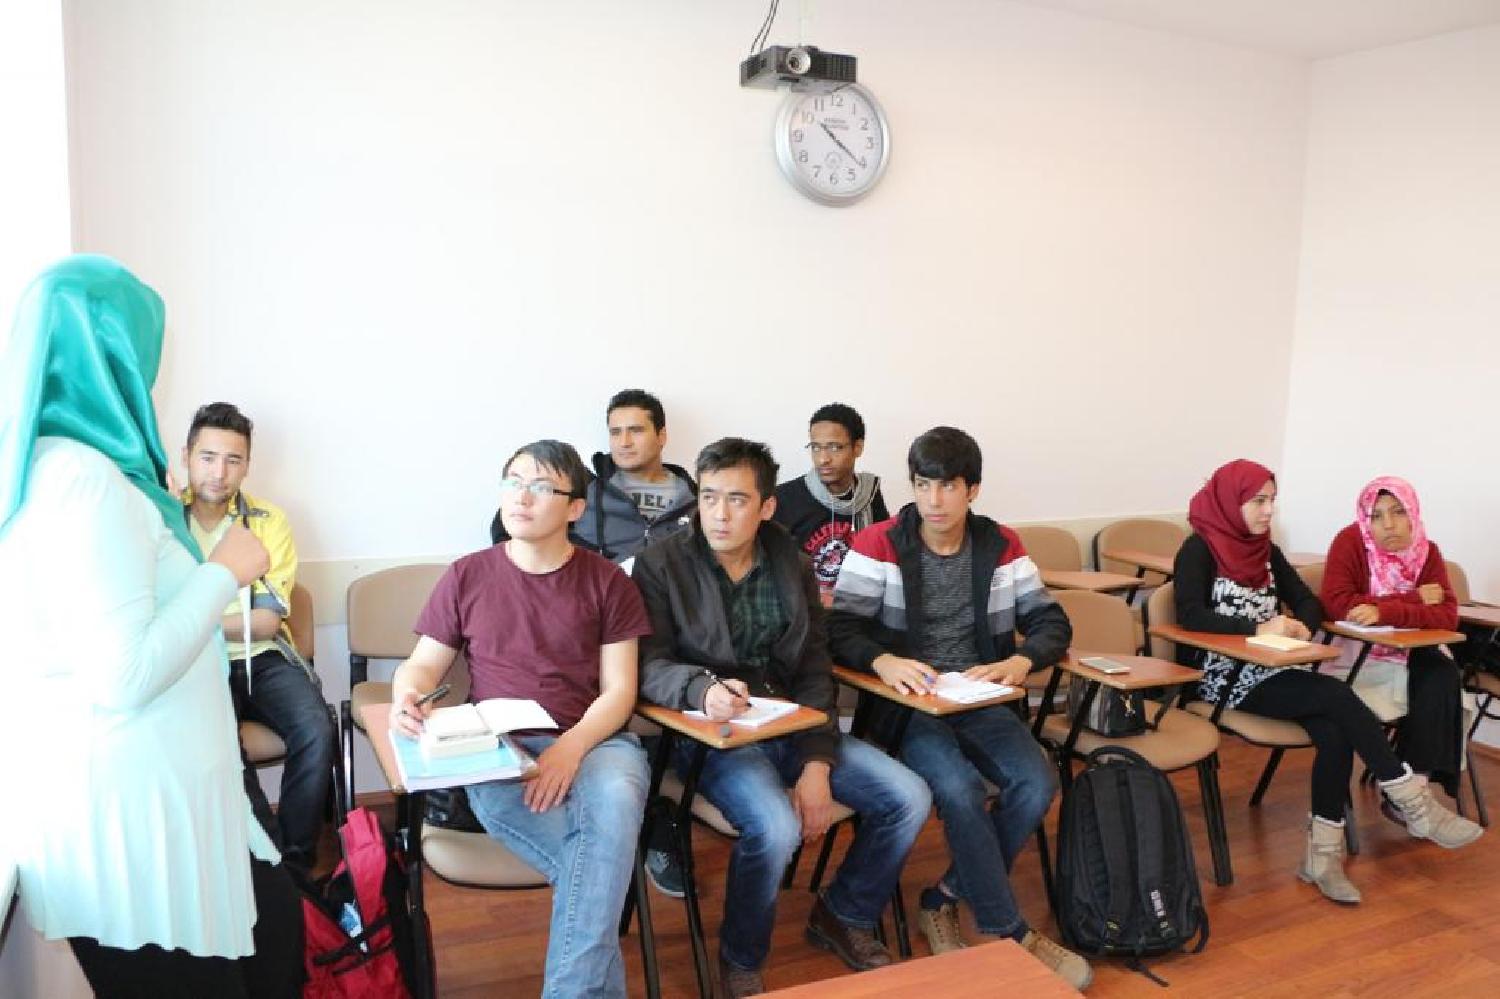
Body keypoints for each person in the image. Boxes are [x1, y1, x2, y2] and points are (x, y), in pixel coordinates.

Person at [0, 256, 302, 997]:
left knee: (276, 945)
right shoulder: (81, 481)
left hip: (170, 805)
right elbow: (123, 674)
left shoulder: (70, 471)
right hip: (137, 830)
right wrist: (223, 570)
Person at [634, 438, 930, 998]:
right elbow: (648, 665)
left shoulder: (792, 563)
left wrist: (816, 763)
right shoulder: (661, 564)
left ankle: (844, 912)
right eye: (709, 497)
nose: (719, 514)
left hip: (791, 721)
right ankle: (740, 957)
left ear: (767, 506)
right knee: (775, 827)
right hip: (711, 733)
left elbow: (815, 668)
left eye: (737, 499)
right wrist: (701, 690)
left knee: (908, 796)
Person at [827, 426, 1090, 990]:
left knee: (1036, 783)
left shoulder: (1001, 545)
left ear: (972, 490)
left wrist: (1020, 661)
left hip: (978, 696)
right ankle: (1011, 929)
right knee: (960, 789)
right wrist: (882, 661)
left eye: (948, 486)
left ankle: (943, 896)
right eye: (923, 485)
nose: (934, 500)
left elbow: (1051, 622)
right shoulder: (878, 543)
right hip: (909, 705)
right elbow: (840, 630)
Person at [393, 440, 650, 998]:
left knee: (615, 807)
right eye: (513, 482)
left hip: (596, 741)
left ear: (575, 507)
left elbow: (620, 691)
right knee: (599, 867)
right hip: (500, 751)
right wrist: (407, 694)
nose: (521, 497)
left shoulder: (609, 582)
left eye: (540, 487)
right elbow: (422, 665)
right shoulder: (467, 575)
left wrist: (570, 748)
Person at [1174, 459, 1482, 906]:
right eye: (1258, 501)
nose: (1268, 511)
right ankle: (1409, 797)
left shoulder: (1264, 550)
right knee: (1336, 695)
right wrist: (1256, 628)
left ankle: (1321, 859)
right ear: (1229, 501)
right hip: (1223, 675)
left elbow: (1308, 600)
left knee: (1335, 732)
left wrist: (1301, 622)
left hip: (1277, 666)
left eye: (1272, 501)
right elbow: (1189, 615)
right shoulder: (1198, 549)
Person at [179, 401, 334, 871]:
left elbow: (265, 622)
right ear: (187, 456)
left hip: (261, 655)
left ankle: (295, 859)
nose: (219, 473)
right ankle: (262, 859)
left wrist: (189, 619)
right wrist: (196, 626)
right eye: (208, 457)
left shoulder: (268, 522)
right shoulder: (164, 520)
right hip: (194, 662)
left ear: (247, 465)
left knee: (317, 728)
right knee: (222, 746)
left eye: (233, 460)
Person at [1320, 476, 1466, 809]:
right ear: (1365, 520)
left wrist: (1383, 611)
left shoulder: (1427, 551)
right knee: (1431, 684)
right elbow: (1337, 604)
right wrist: (1413, 598)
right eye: (1377, 515)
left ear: (1412, 513)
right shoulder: (1350, 542)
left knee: (1442, 673)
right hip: (1356, 652)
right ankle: (1407, 792)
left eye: (1398, 512)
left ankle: (1414, 785)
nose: (1389, 524)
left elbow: (1447, 616)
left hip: (1410, 650)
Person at [489, 389, 696, 564]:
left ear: (661, 436)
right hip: (595, 596)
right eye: (615, 432)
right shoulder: (581, 486)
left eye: (636, 431)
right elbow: (511, 522)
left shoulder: (696, 498)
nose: (624, 442)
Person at [773, 402, 889, 597]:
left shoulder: (869, 495)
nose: (823, 459)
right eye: (816, 447)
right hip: (805, 607)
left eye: (834, 447)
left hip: (858, 605)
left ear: (857, 447)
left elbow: (882, 556)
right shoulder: (783, 499)